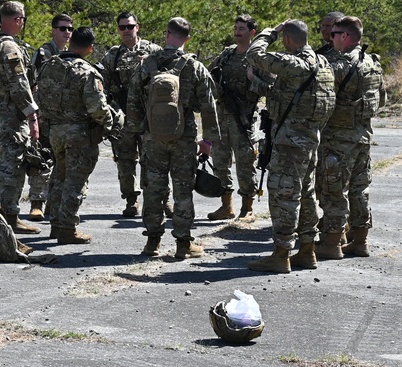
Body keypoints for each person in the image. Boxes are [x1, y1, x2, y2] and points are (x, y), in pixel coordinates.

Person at [126, 17, 220, 259]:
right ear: (187, 39)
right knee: (182, 191)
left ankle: (152, 243)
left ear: (167, 35)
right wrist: (208, 141)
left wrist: (138, 130)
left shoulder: (147, 64)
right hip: (184, 138)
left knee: (153, 189)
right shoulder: (195, 67)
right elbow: (209, 106)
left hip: (152, 137)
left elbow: (133, 100)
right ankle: (182, 244)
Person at [245, 19, 333, 273]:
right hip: (310, 139)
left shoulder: (295, 63)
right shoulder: (322, 63)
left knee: (284, 195)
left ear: (287, 39)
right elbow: (287, 95)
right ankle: (307, 251)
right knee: (305, 194)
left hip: (289, 143)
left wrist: (270, 32)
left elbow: (255, 53)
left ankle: (281, 254)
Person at [38, 27, 122, 244]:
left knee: (59, 176)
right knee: (76, 182)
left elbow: (41, 97)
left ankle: (56, 224)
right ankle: (67, 229)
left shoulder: (50, 66)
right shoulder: (87, 72)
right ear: (90, 48)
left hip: (55, 131)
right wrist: (111, 124)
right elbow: (97, 108)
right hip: (79, 134)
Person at [314, 16, 386, 259]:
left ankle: (331, 243)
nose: (330, 37)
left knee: (332, 190)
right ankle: (359, 241)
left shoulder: (335, 65)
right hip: (363, 137)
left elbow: (318, 101)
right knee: (359, 190)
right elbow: (382, 100)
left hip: (337, 139)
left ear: (344, 36)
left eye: (333, 33)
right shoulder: (373, 63)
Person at [0, 1, 42, 234]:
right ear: (17, 20)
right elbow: (19, 83)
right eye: (22, 19)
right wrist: (32, 115)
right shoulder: (8, 47)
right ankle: (10, 216)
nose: (22, 23)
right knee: (12, 163)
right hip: (11, 111)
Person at [100, 12, 163, 217]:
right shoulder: (112, 55)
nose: (126, 30)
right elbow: (102, 84)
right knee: (125, 160)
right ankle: (131, 200)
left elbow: (168, 79)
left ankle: (161, 199)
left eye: (130, 26)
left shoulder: (154, 51)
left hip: (148, 116)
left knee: (153, 159)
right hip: (124, 116)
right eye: (122, 27)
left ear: (138, 27)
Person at [206, 14, 267, 221]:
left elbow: (272, 87)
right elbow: (208, 74)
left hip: (244, 121)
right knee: (220, 162)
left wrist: (253, 80)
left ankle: (247, 208)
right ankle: (226, 206)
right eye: (236, 27)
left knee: (245, 165)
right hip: (222, 118)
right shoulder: (227, 54)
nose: (237, 31)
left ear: (252, 33)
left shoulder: (257, 57)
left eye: (242, 28)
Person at [25, 13, 73, 220]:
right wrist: (35, 113)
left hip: (64, 117)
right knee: (41, 159)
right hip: (45, 114)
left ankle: (55, 203)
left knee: (63, 161)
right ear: (53, 30)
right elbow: (32, 84)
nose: (67, 33)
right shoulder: (44, 53)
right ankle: (36, 203)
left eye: (70, 29)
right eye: (63, 28)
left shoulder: (72, 54)